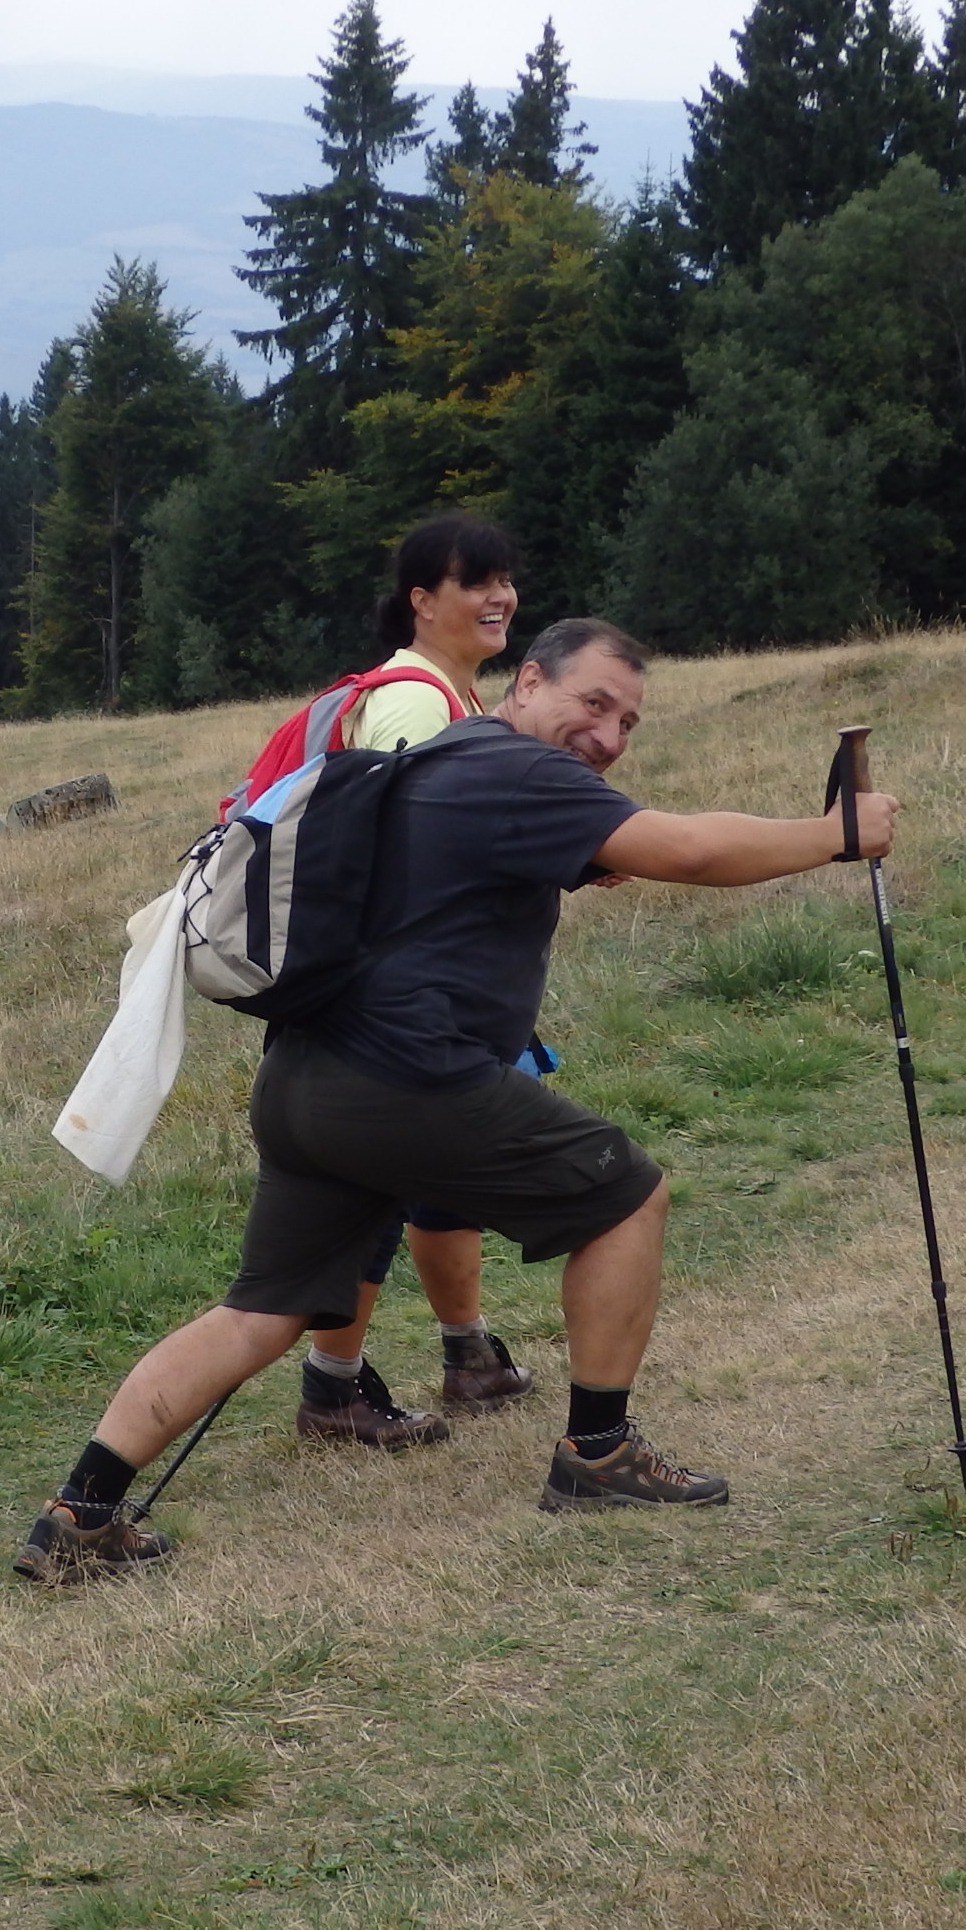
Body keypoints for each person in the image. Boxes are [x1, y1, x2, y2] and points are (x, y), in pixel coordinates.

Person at [15, 616, 901, 1584]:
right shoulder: (520, 771)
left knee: (258, 1312)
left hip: (305, 1080)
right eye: (593, 702)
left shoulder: (448, 758)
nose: (608, 734)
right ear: (529, 682)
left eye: (628, 722)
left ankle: (79, 1512)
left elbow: (538, 862)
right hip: (407, 1080)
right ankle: (599, 1453)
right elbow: (685, 850)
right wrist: (835, 836)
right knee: (626, 1195)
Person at [299, 514, 535, 1449]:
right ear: (422, 601)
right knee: (378, 1184)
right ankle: (332, 1390)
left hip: (432, 988)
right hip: (396, 997)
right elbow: (410, 857)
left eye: (504, 578)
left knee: (447, 1165)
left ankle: (467, 1354)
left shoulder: (454, 698)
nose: (499, 596)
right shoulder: (411, 705)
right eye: (476, 581)